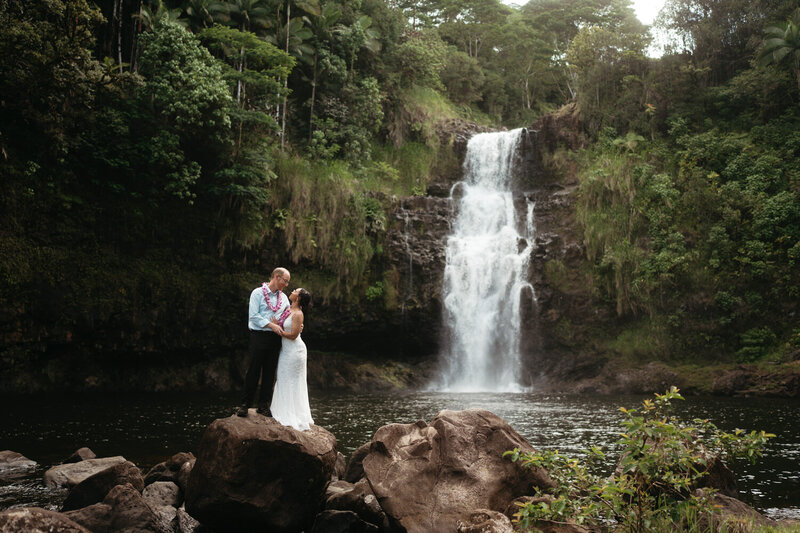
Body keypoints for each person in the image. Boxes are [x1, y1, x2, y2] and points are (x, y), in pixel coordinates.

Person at [237, 268, 291, 417]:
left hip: (275, 339)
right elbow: (254, 316)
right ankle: (245, 405)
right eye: (285, 281)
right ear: (276, 277)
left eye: (287, 282)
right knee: (253, 370)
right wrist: (271, 324)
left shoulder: (284, 298)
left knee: (269, 372)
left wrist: (296, 325)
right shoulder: (257, 293)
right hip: (259, 336)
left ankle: (263, 405)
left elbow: (288, 316)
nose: (286, 284)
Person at [266, 288, 313, 431]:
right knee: (283, 378)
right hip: (286, 350)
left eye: (295, 291)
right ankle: (282, 409)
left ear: (297, 298)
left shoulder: (298, 313)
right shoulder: (288, 309)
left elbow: (293, 335)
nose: (291, 291)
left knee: (292, 380)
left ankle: (292, 414)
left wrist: (277, 329)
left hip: (295, 351)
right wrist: (278, 324)